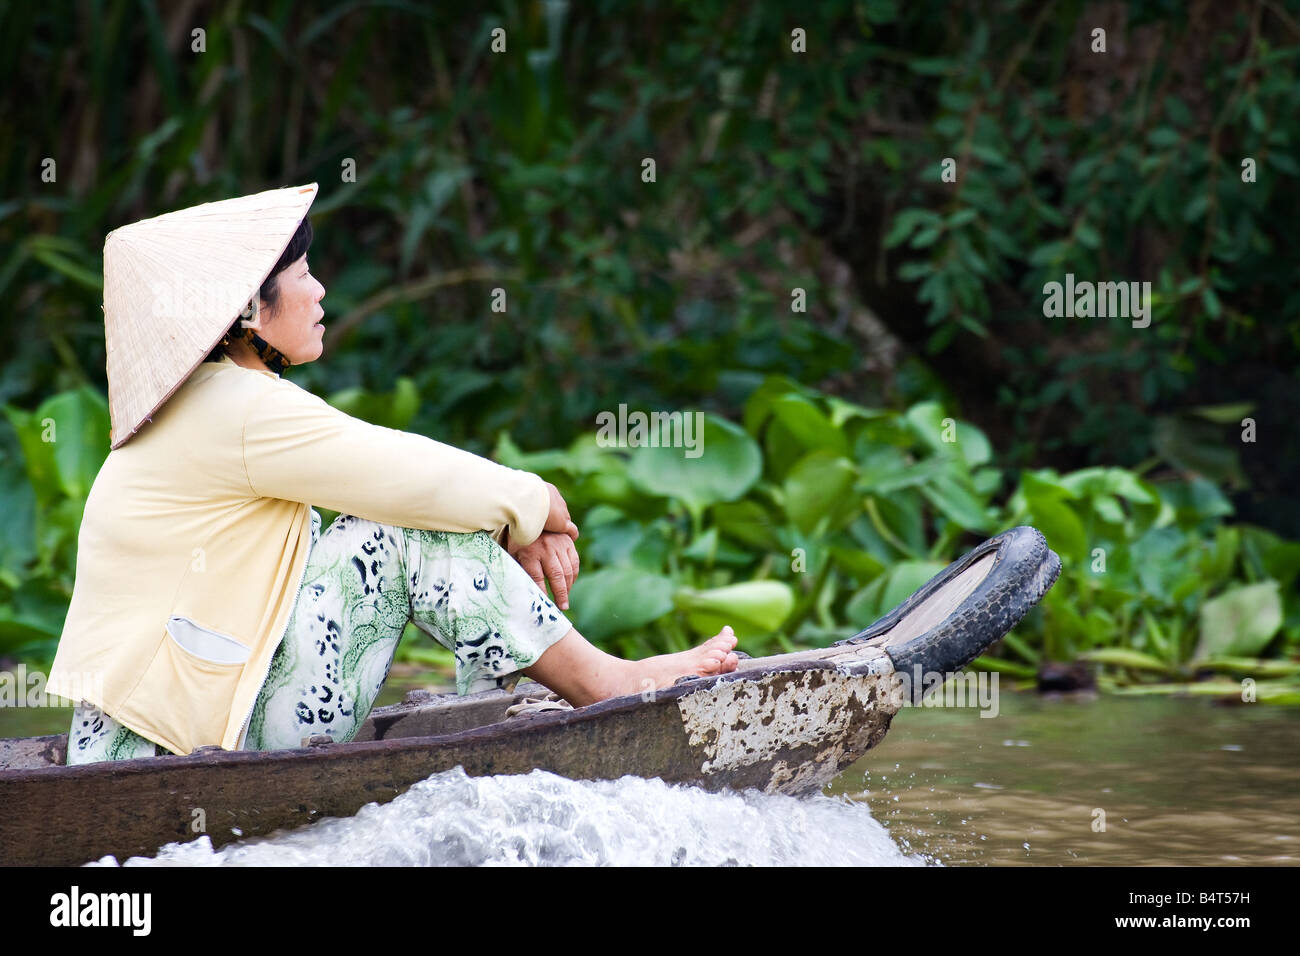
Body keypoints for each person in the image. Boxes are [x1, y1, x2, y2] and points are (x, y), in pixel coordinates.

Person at [47, 183, 738, 765]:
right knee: (395, 529)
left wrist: (509, 523)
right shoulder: (238, 409)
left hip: (139, 737)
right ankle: (606, 682)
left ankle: (593, 677)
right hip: (172, 746)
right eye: (304, 275)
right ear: (255, 310)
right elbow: (411, 475)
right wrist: (539, 504)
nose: (320, 292)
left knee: (396, 523)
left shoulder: (207, 404)